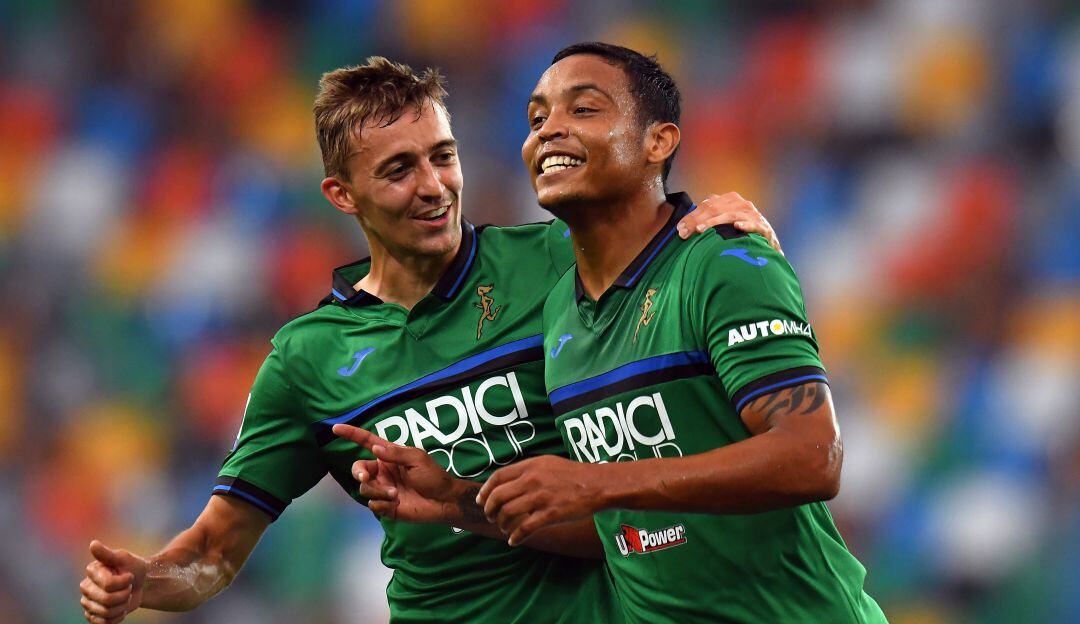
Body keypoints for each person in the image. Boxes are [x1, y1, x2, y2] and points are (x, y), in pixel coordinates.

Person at [78, 56, 780, 624]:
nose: (433, 187)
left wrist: (732, 225)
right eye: (398, 170)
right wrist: (147, 580)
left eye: (443, 156)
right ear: (341, 195)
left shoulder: (557, 259)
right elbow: (214, 551)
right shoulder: (307, 358)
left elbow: (687, 263)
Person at [340, 43, 888, 623]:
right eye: (536, 118)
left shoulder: (721, 262)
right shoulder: (559, 313)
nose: (549, 130)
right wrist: (457, 500)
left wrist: (598, 483)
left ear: (659, 142)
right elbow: (620, 529)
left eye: (583, 109)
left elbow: (813, 457)